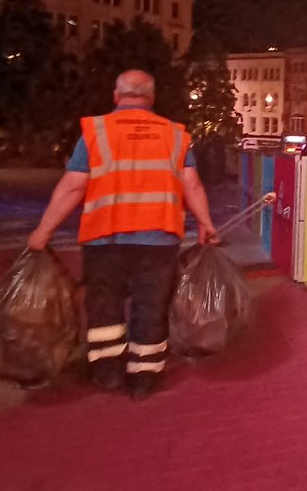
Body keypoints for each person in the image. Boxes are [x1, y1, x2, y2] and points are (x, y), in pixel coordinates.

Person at [26, 69, 218, 399]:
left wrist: (43, 231)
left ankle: (107, 372)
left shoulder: (96, 132)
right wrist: (205, 222)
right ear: (151, 98)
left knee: (104, 305)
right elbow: (192, 184)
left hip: (105, 238)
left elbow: (73, 186)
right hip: (158, 240)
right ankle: (143, 378)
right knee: (150, 306)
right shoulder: (174, 135)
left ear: (117, 96)